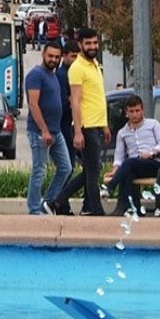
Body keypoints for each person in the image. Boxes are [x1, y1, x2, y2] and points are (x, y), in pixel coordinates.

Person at [58, 28, 110, 216]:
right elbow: (76, 101)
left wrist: (104, 125)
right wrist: (78, 132)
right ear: (80, 45)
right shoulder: (77, 68)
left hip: (96, 125)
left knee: (91, 170)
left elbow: (97, 97)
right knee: (93, 171)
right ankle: (96, 210)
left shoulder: (94, 63)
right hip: (85, 127)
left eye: (95, 43)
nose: (92, 47)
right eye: (88, 43)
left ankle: (58, 201)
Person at [25, 42, 71, 216]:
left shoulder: (52, 75)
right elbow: (33, 104)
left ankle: (47, 202)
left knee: (66, 168)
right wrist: (44, 130)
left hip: (55, 131)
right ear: (43, 54)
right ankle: (34, 208)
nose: (53, 59)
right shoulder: (36, 75)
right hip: (39, 132)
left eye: (57, 57)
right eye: (50, 56)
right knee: (39, 170)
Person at [104, 95, 160, 216]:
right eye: (131, 111)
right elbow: (119, 156)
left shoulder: (153, 124)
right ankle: (133, 208)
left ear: (142, 110)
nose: (135, 114)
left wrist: (151, 153)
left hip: (153, 163)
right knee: (128, 170)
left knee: (129, 163)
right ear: (126, 112)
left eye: (137, 110)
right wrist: (115, 170)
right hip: (133, 166)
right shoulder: (122, 133)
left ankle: (110, 187)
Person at [51, 40, 80, 215]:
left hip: (70, 125)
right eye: (73, 56)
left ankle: (62, 203)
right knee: (67, 167)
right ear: (65, 56)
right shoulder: (62, 75)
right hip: (64, 126)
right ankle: (61, 203)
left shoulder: (71, 73)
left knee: (71, 167)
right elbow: (63, 101)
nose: (76, 60)